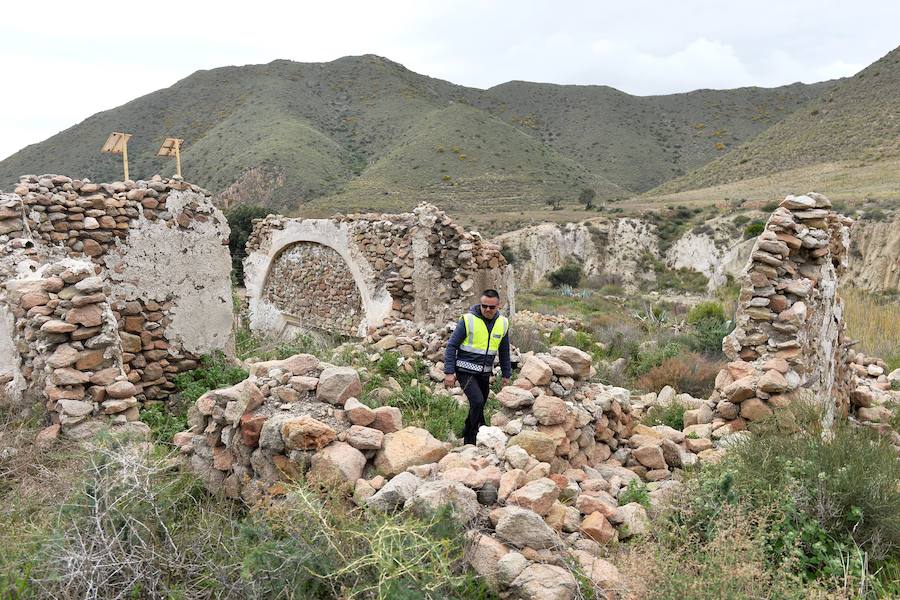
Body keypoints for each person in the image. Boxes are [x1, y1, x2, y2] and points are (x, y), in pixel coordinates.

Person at [443, 289, 511, 445]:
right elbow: (451, 346)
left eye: (491, 307)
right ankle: (470, 439)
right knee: (478, 401)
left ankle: (475, 428)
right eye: (484, 306)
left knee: (479, 404)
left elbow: (504, 351)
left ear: (498, 306)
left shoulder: (503, 323)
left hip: (484, 373)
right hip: (465, 371)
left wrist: (507, 375)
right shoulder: (468, 320)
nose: (487, 309)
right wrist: (449, 372)